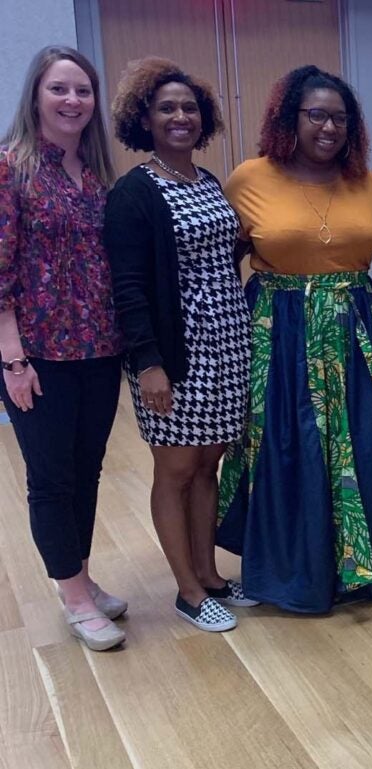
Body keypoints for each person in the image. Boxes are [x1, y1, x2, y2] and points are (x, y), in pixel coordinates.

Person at [217, 65, 372, 612]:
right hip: (280, 332)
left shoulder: (367, 183)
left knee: (365, 444)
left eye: (340, 118)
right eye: (317, 115)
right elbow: (221, 260)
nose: (329, 128)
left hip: (358, 330)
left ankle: (366, 568)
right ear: (290, 118)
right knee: (289, 450)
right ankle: (295, 573)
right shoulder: (250, 179)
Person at [105, 57, 254, 633]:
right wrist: (147, 364)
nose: (180, 116)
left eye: (189, 107)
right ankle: (187, 591)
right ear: (144, 117)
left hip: (228, 343)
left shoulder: (208, 181)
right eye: (166, 107)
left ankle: (210, 575)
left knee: (209, 465)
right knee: (175, 469)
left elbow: (214, 258)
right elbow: (130, 287)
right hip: (173, 352)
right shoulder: (133, 194)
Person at [0, 45, 125, 650]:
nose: (72, 100)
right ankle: (73, 596)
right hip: (38, 354)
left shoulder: (98, 175)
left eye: (82, 90)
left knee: (87, 469)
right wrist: (12, 360)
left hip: (100, 349)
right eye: (59, 89)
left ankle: (80, 573)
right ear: (36, 96)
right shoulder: (10, 169)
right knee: (51, 479)